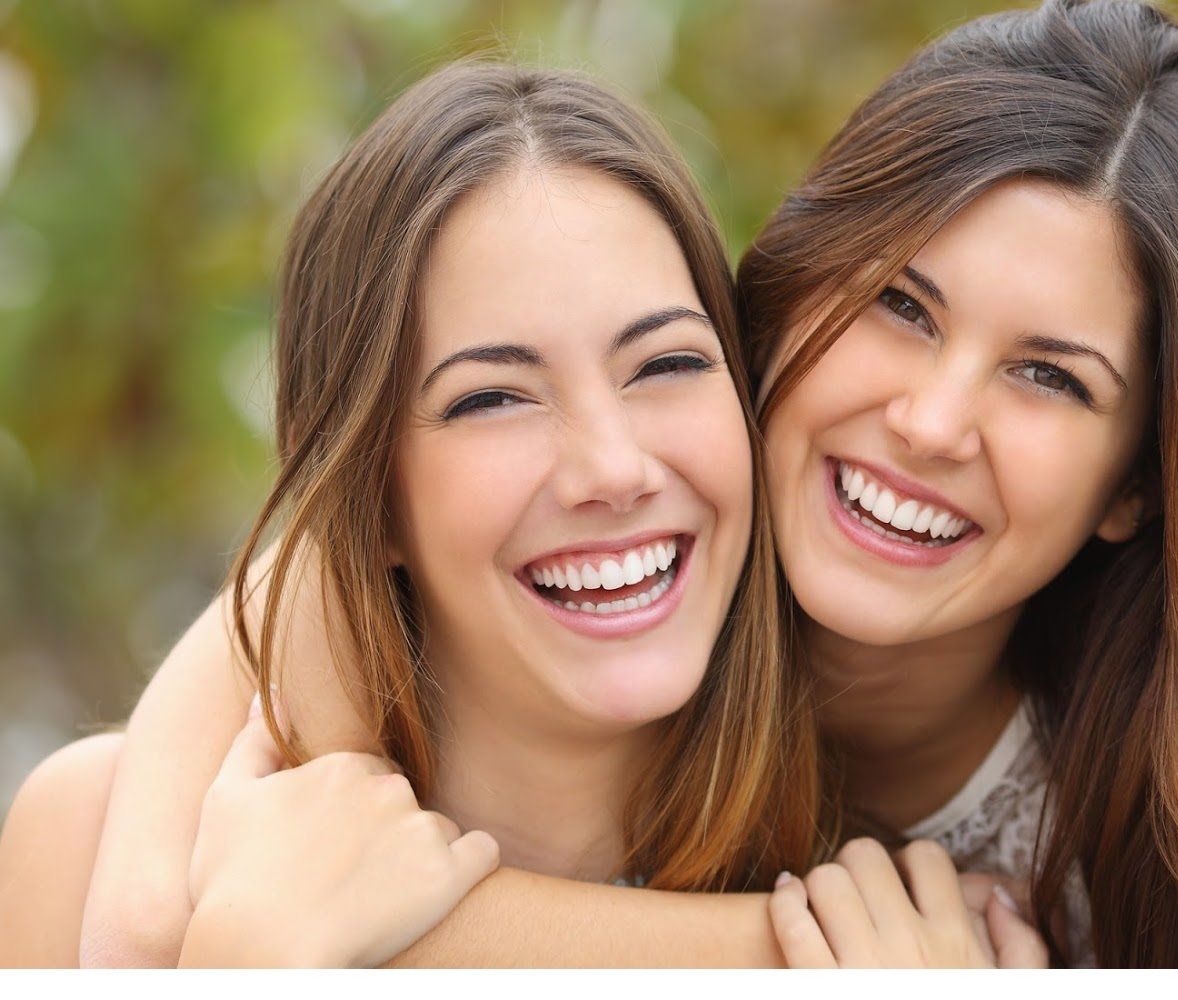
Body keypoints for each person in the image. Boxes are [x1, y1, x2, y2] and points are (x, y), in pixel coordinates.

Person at [3, 0, 1178, 968]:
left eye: (1049, 377)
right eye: (902, 306)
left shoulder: (1107, 862)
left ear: (1134, 483)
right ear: (777, 306)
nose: (927, 419)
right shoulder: (650, 535)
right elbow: (311, 562)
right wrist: (164, 912)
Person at [6, 59, 1032, 969]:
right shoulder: (95, 842)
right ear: (367, 506)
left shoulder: (907, 935)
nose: (612, 467)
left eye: (666, 364)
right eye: (492, 396)